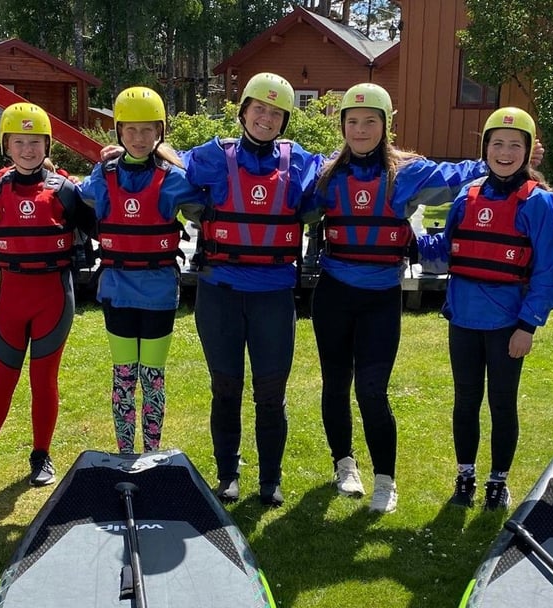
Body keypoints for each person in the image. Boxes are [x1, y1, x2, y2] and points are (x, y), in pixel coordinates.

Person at [311, 83, 489, 513]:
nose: (360, 129)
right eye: (352, 122)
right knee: (336, 385)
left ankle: (385, 481)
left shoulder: (405, 172)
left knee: (372, 390)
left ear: (385, 125)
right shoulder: (326, 173)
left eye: (370, 121)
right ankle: (344, 463)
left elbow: (460, 176)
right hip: (333, 293)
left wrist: (506, 155)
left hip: (380, 298)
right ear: (342, 126)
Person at [183, 72, 322, 507]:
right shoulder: (213, 156)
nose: (266, 118)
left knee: (270, 391)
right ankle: (227, 474)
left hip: (273, 296)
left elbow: (350, 165)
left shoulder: (299, 161)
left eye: (276, 112)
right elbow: (165, 158)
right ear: (243, 112)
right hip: (220, 291)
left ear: (284, 121)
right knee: (225, 387)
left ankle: (270, 478)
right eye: (258, 109)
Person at [417, 107, 553, 509]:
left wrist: (528, 326)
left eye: (514, 145)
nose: (504, 152)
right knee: (465, 400)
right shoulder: (467, 197)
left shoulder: (537, 203)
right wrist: (404, 238)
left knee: (502, 403)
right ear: (485, 148)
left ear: (528, 151)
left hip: (507, 325)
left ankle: (497, 482)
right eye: (496, 143)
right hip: (464, 320)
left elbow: (551, 274)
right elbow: (447, 251)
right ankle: (465, 475)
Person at [0, 103, 96, 489]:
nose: (28, 149)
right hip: (11, 301)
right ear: (7, 145)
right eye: (19, 142)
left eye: (35, 142)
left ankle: (41, 455)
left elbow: (105, 227)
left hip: (53, 298)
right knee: (0, 380)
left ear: (47, 144)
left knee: (43, 380)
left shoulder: (66, 190)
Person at [79, 87, 204, 454]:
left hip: (159, 291)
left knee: (152, 378)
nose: (138, 138)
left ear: (159, 132)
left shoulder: (174, 178)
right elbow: (82, 194)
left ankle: (150, 452)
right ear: (119, 132)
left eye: (147, 130)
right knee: (123, 376)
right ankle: (125, 453)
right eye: (130, 130)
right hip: (117, 288)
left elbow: (202, 199)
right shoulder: (104, 175)